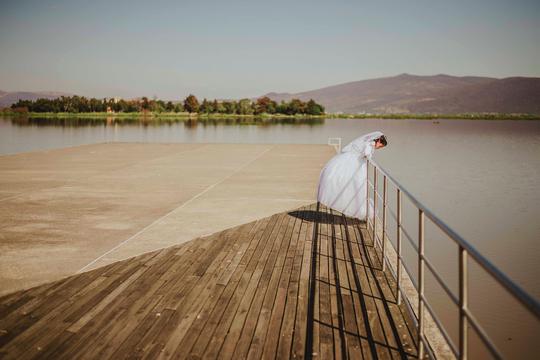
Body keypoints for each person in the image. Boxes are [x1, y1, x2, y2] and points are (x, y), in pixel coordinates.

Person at [317, 131, 387, 220]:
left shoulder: (369, 143)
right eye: (381, 146)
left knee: (352, 184)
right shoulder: (371, 144)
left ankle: (349, 205)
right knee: (357, 185)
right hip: (355, 163)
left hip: (352, 160)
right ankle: (355, 207)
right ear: (379, 141)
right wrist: (368, 156)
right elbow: (366, 153)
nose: (379, 148)